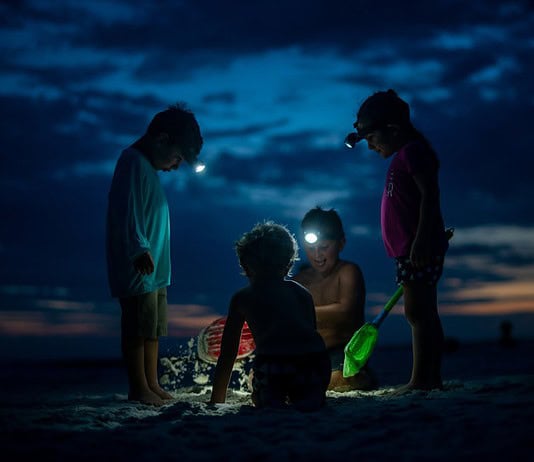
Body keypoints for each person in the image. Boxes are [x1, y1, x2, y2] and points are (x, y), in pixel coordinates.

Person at [345, 89, 449, 392]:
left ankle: (423, 380)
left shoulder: (413, 152)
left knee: (420, 313)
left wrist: (421, 239)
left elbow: (430, 196)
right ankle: (429, 378)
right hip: (409, 251)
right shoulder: (404, 156)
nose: (370, 146)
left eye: (372, 138)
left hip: (418, 250)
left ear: (392, 129)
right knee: (420, 312)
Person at [106, 103, 203, 405]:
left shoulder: (148, 168)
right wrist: (138, 248)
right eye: (176, 158)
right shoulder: (132, 161)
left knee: (152, 327)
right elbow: (128, 210)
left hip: (155, 268)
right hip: (139, 264)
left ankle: (152, 382)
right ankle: (139, 387)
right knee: (137, 326)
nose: (176, 166)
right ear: (161, 139)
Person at [210, 221, 330, 411]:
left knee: (257, 386)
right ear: (289, 264)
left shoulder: (243, 298)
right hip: (314, 367)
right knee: (307, 390)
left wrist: (216, 399)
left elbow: (228, 353)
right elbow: (311, 334)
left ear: (245, 265)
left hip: (276, 367)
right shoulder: (302, 293)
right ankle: (310, 396)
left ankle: (270, 396)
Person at [292, 206, 377, 392]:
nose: (317, 255)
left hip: (341, 353)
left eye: (324, 247)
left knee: (338, 379)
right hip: (306, 355)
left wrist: (296, 312)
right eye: (311, 248)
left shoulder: (348, 272)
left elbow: (345, 312)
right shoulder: (298, 281)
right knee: (261, 375)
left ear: (341, 243)